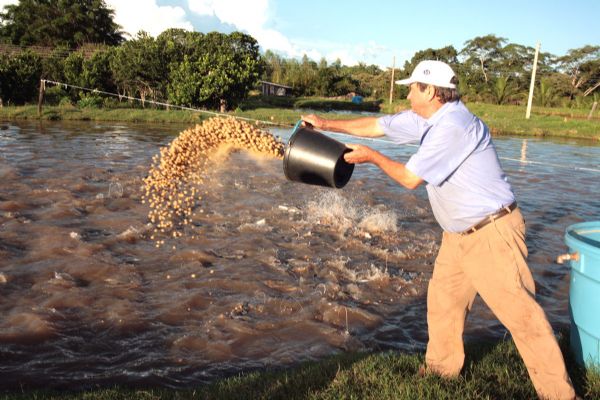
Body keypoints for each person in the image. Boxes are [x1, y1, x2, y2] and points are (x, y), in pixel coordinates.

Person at [301, 60, 576, 400]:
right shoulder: (430, 118)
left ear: (430, 91)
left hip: (491, 234)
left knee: (522, 316)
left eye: (412, 87)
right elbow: (378, 124)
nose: (407, 92)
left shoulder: (453, 127)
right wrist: (325, 123)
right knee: (443, 303)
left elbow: (409, 179)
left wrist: (372, 158)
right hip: (458, 236)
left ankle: (560, 394)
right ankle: (441, 371)